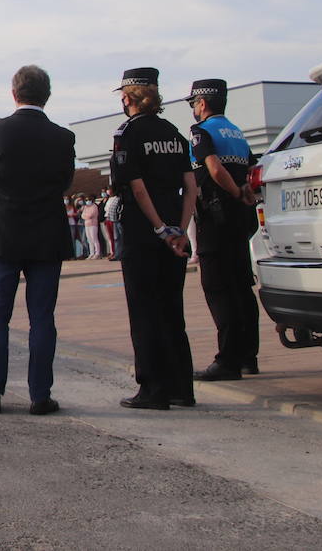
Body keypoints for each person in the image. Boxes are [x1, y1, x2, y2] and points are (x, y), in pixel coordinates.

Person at [0, 65, 73, 416]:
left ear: (14, 93)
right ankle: (39, 395)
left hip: (2, 233)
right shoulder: (63, 137)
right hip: (46, 234)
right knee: (42, 317)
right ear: (47, 94)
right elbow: (64, 183)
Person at [110, 68, 197, 410]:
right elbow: (191, 187)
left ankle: (153, 389)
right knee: (172, 310)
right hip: (175, 232)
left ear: (128, 97)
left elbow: (136, 186)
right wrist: (179, 230)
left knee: (144, 311)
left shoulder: (128, 132)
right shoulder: (173, 133)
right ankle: (181, 387)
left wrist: (160, 228)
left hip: (144, 232)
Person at [185, 79, 261, 381]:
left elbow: (214, 168)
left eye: (194, 103)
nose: (193, 108)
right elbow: (251, 168)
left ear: (202, 103)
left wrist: (232, 192)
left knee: (218, 288)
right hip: (240, 218)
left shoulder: (201, 132)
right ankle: (248, 357)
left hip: (216, 217)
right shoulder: (236, 132)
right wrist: (243, 193)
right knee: (242, 287)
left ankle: (227, 360)